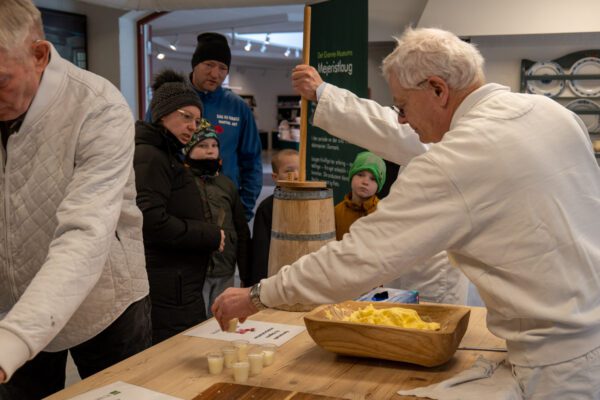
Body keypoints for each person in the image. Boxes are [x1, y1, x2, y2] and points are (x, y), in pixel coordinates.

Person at [212, 27, 600, 399]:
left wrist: (259, 294)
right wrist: (329, 95)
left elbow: (360, 257)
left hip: (560, 364)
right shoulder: (551, 112)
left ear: (437, 89)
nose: (400, 118)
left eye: (401, 105)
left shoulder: (457, 160)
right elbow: (397, 133)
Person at [0, 1, 151, 398]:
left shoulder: (98, 106)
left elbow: (87, 232)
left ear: (38, 53)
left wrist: (12, 341)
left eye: (0, 80)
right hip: (15, 301)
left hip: (105, 304)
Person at [134, 69, 225, 344]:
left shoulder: (166, 153)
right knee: (174, 353)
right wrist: (207, 235)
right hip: (168, 284)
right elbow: (151, 221)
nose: (191, 126)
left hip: (178, 282)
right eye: (186, 117)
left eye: (196, 120)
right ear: (162, 114)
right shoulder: (151, 155)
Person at [148, 32, 263, 221]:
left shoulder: (238, 107)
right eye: (209, 65)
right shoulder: (170, 98)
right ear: (195, 64)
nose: (215, 74)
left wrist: (243, 209)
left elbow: (252, 161)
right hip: (177, 203)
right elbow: (151, 148)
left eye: (223, 67)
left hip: (225, 204)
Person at [183, 126, 251, 317]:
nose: (210, 149)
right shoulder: (182, 182)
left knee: (222, 317)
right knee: (196, 320)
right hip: (196, 270)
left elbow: (241, 230)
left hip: (225, 267)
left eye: (214, 145)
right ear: (188, 150)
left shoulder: (227, 185)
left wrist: (245, 274)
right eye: (202, 145)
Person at [248, 149, 300, 286]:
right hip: (274, 276)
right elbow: (260, 249)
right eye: (289, 171)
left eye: (300, 170)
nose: (296, 175)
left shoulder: (311, 203)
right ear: (275, 177)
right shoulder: (267, 208)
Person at [335, 151, 386, 241]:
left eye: (373, 179)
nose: (365, 182)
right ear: (351, 176)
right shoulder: (336, 212)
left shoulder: (383, 212)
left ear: (379, 186)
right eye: (360, 175)